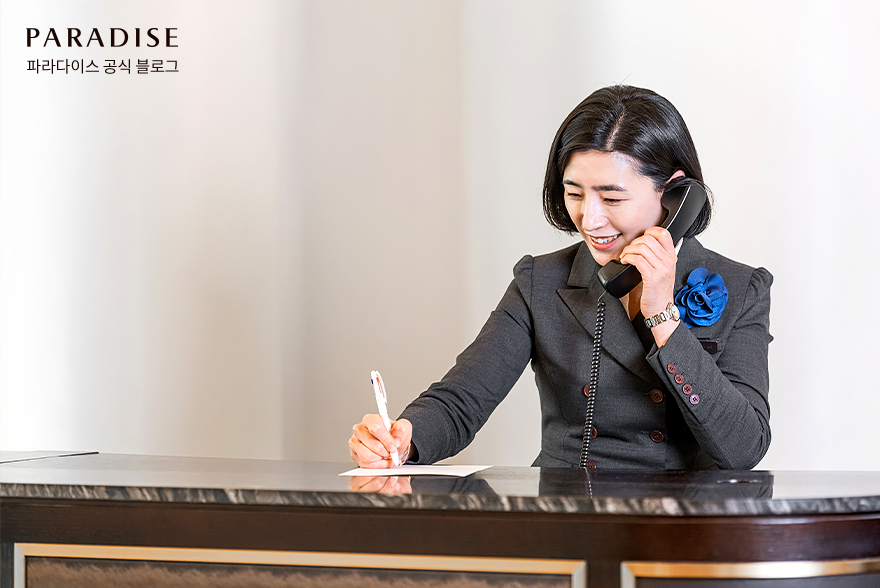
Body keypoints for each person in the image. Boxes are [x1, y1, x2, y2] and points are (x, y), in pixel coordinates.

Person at [349, 85, 772, 470]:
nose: (589, 219)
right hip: (569, 511)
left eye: (612, 198)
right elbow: (462, 399)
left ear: (676, 195)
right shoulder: (540, 281)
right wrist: (404, 438)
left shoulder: (742, 288)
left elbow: (744, 448)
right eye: (574, 194)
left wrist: (663, 316)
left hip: (685, 520)